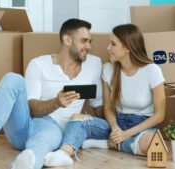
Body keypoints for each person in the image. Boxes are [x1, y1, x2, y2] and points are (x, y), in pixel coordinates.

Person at [0, 18, 103, 169]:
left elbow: (98, 106)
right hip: (24, 124)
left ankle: (26, 160)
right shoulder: (39, 64)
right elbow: (31, 108)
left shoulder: (94, 64)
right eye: (84, 41)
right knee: (12, 79)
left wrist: (110, 131)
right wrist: (56, 102)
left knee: (37, 149)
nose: (88, 46)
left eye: (90, 41)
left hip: (54, 128)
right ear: (67, 40)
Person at [44, 24, 166, 167]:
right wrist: (115, 129)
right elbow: (107, 107)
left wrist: (126, 134)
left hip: (142, 127)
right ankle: (63, 154)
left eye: (113, 44)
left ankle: (109, 144)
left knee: (153, 145)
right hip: (117, 124)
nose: (108, 48)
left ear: (128, 47)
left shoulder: (152, 71)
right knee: (77, 119)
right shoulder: (108, 69)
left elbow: (159, 115)